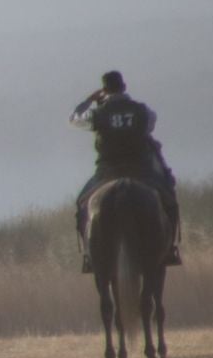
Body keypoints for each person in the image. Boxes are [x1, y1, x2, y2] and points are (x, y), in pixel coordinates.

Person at [71, 70, 180, 271]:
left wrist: (89, 100)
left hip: (107, 171)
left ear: (104, 90)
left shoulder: (98, 113)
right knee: (170, 201)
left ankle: (89, 255)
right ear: (124, 87)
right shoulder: (141, 111)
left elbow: (75, 118)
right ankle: (171, 248)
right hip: (141, 169)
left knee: (82, 205)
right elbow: (150, 125)